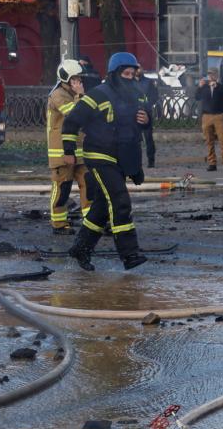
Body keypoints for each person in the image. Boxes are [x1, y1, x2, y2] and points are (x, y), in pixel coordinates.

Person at [61, 52, 151, 271]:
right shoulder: (98, 95)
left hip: (121, 156)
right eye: (125, 73)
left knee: (102, 207)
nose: (129, 77)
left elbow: (139, 129)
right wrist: (69, 151)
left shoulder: (139, 95)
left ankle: (80, 249)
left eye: (132, 73)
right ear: (114, 74)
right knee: (120, 201)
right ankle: (130, 255)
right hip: (99, 155)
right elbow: (71, 122)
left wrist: (147, 120)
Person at [44, 59, 89, 235]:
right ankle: (59, 224)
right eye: (75, 78)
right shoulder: (58, 95)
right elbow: (74, 114)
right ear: (66, 78)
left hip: (79, 152)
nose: (79, 82)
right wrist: (80, 95)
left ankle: (90, 222)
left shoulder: (72, 94)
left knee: (88, 185)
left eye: (79, 79)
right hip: (62, 154)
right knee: (62, 189)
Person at [195, 69, 223, 172]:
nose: (211, 76)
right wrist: (199, 87)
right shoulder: (204, 87)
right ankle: (212, 163)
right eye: (209, 74)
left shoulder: (221, 86)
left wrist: (217, 86)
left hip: (219, 115)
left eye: (213, 74)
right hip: (206, 116)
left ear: (217, 75)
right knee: (209, 141)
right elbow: (197, 97)